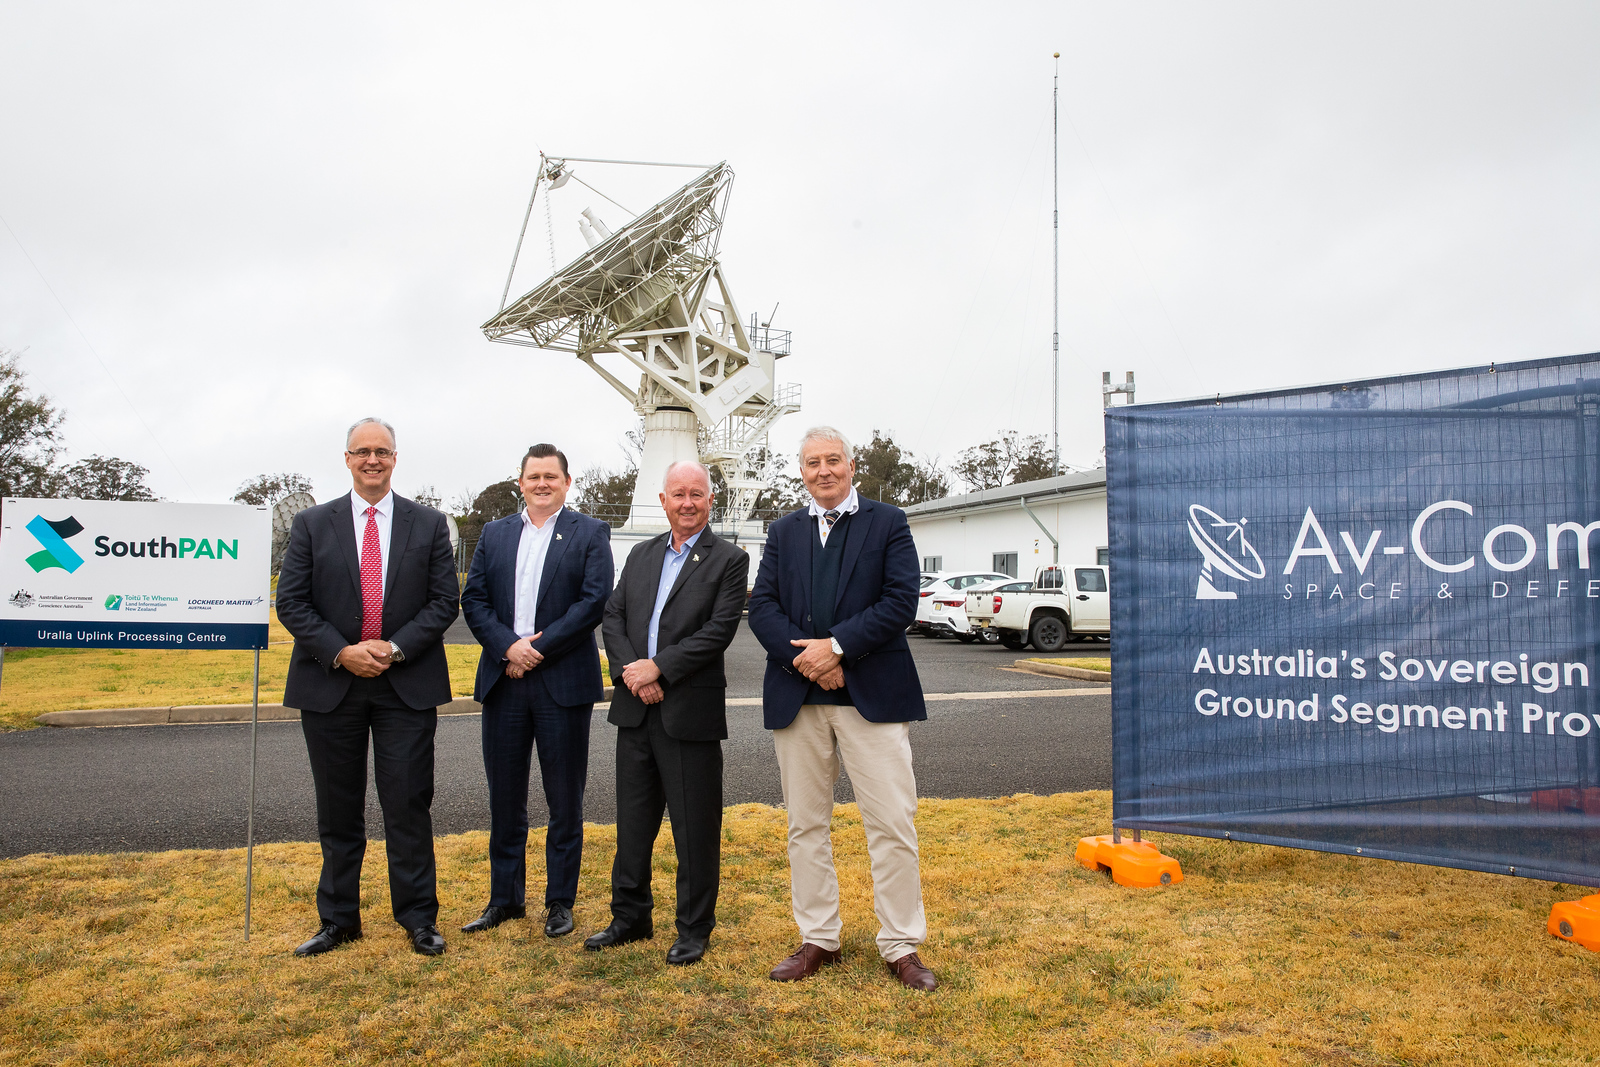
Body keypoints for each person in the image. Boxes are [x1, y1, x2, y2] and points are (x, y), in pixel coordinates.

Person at [746, 426, 937, 991]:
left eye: (833, 460)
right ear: (801, 471)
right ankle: (817, 938)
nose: (823, 471)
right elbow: (763, 607)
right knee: (806, 826)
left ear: (851, 466)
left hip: (870, 697)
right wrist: (807, 659)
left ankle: (902, 946)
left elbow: (900, 600)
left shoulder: (888, 522)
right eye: (812, 463)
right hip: (798, 696)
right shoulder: (783, 531)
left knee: (892, 824)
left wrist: (837, 648)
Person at [276, 417, 460, 958]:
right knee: (338, 807)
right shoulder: (312, 524)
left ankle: (419, 918)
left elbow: (443, 602)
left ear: (395, 458)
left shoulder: (428, 524)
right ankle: (338, 920)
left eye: (382, 451)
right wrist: (343, 652)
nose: (372, 460)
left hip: (405, 681)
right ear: (348, 458)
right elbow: (292, 602)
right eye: (363, 452)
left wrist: (392, 648)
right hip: (331, 681)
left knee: (407, 803)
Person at [585, 460, 750, 965]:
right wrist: (631, 672)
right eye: (678, 494)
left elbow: (718, 631)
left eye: (696, 494)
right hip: (636, 711)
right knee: (633, 823)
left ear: (710, 500)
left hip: (689, 714)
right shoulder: (640, 554)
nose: (687, 503)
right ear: (663, 500)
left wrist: (658, 668)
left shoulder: (729, 559)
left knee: (694, 828)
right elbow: (613, 615)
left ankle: (694, 928)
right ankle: (630, 917)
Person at [459, 443, 613, 939]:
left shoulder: (590, 532)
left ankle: (560, 902)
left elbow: (592, 603)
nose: (542, 483)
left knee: (564, 799)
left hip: (561, 683)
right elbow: (475, 598)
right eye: (533, 476)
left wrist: (536, 649)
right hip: (504, 681)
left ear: (568, 483)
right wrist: (509, 648)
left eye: (552, 476)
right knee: (505, 799)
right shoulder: (495, 533)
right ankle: (504, 899)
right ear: (520, 482)